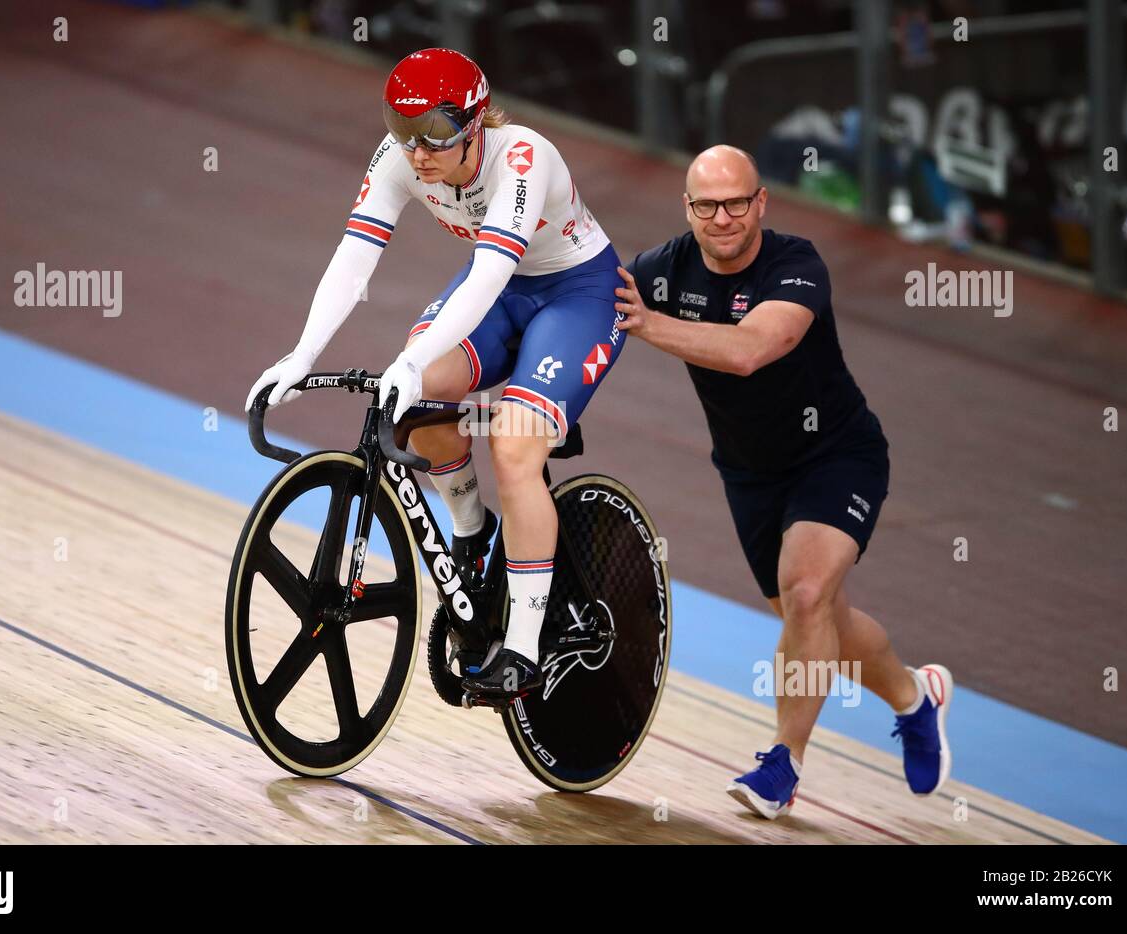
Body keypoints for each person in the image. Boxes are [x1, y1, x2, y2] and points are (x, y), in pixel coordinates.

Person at [247, 49, 626, 700]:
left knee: (512, 446)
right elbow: (354, 256)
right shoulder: (400, 157)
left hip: (577, 296)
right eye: (402, 128)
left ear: (475, 123)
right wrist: (302, 355)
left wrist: (415, 361)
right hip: (501, 289)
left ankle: (526, 647)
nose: (417, 152)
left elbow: (486, 277)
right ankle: (472, 531)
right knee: (412, 401)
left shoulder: (524, 158)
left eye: (435, 134)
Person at [616, 145, 952, 819]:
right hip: (748, 474)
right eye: (707, 205)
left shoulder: (797, 265)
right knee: (822, 619)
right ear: (688, 208)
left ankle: (783, 767)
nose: (723, 217)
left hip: (837, 455)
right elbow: (589, 315)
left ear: (760, 202)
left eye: (737, 202)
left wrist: (651, 325)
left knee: (805, 594)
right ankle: (915, 699)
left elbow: (748, 350)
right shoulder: (660, 268)